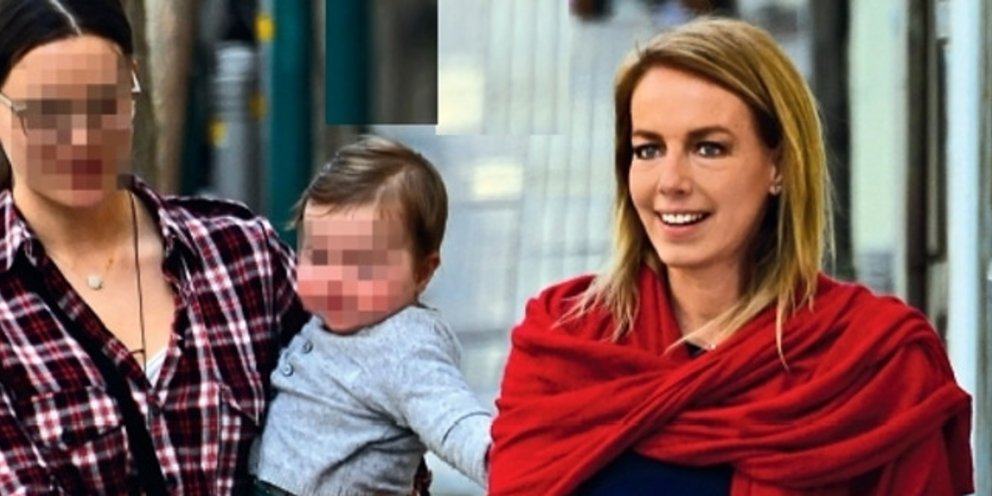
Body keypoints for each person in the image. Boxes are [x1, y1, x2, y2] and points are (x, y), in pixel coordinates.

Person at [488, 17, 973, 496]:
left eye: (708, 148)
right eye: (648, 150)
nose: (671, 182)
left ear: (779, 165)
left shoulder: (875, 362)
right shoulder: (563, 345)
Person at [0, 0, 309, 493]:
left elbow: (368, 411)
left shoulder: (242, 256)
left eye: (104, 102)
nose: (81, 137)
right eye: (46, 111)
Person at [250, 136, 492, 495]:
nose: (335, 280)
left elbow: (455, 420)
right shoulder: (324, 320)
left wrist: (502, 459)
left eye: (362, 265)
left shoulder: (407, 344)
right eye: (320, 257)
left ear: (423, 272)